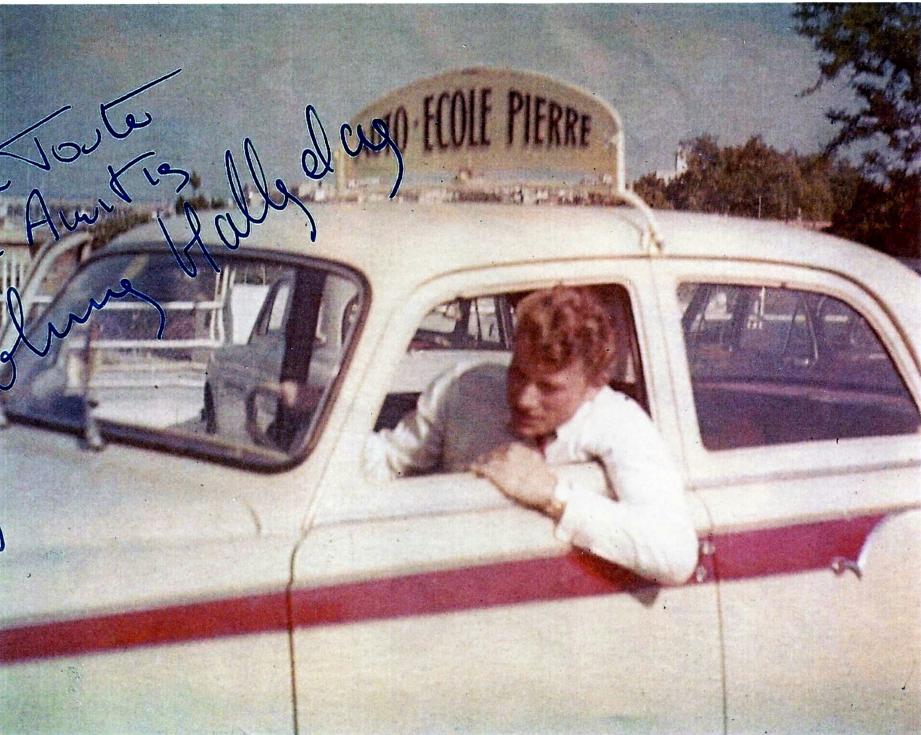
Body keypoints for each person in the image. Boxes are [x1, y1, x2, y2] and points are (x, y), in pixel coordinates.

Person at [364, 286, 698, 585]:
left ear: (594, 385)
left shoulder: (620, 424)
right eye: (518, 373)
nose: (524, 398)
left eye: (549, 388)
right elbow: (388, 459)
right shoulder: (464, 388)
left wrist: (555, 496)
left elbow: (675, 554)